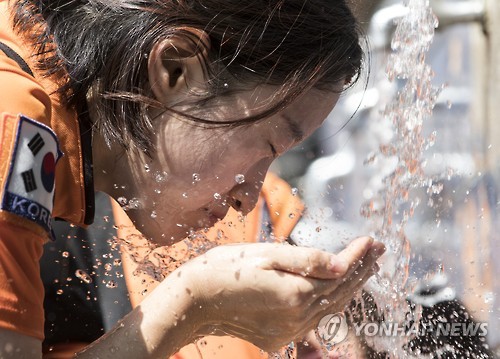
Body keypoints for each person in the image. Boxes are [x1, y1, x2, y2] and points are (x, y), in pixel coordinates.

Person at [0, 0, 386, 357]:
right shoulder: (12, 125)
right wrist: (193, 305)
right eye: (268, 146)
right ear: (175, 68)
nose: (248, 198)